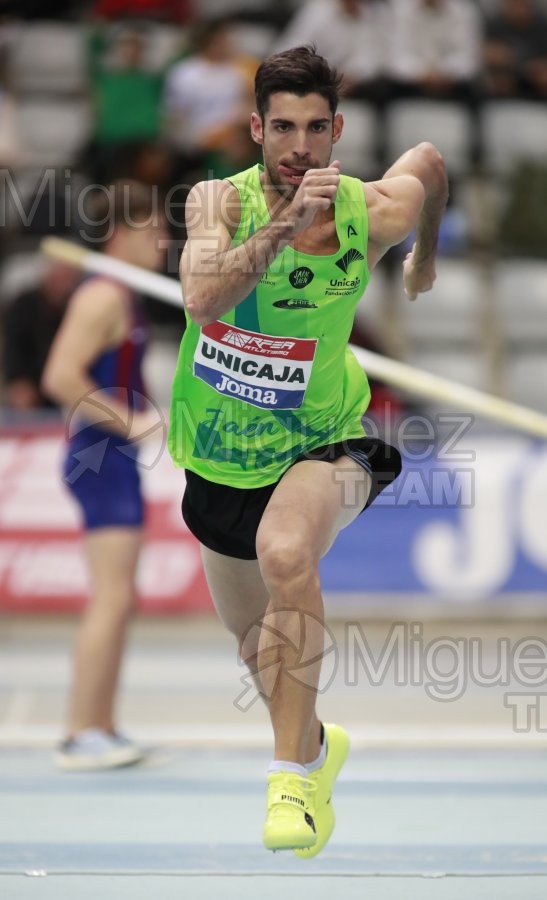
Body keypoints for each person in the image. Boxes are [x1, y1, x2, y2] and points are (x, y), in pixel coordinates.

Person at [168, 46, 447, 854]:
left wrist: (421, 259)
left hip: (329, 440)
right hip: (219, 457)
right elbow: (201, 297)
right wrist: (286, 226)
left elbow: (427, 163)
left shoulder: (367, 210)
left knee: (287, 552)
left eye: (314, 127)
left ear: (336, 131)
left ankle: (289, 782)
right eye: (281, 127)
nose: (298, 144)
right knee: (257, 645)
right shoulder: (219, 202)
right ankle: (319, 748)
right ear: (255, 128)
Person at [42, 181, 169, 770]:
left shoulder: (125, 295)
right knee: (112, 596)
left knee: (122, 598)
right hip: (99, 456)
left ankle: (103, 723)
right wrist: (132, 420)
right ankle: (79, 730)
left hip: (111, 459)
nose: (164, 241)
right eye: (152, 231)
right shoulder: (101, 297)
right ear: (119, 235)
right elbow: (60, 376)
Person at [3, 261, 79, 411]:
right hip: (31, 380)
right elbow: (14, 348)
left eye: (69, 280)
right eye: (60, 278)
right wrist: (18, 381)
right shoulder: (24, 304)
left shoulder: (76, 304)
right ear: (47, 277)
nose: (64, 285)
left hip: (67, 380)